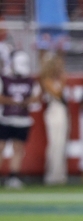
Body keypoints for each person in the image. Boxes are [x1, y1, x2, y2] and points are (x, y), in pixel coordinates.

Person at [0, 51, 41, 189]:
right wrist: (13, 101)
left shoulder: (30, 81)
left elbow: (37, 97)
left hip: (22, 119)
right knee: (1, 147)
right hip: (5, 118)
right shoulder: (3, 78)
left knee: (18, 149)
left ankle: (13, 177)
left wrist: (26, 101)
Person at [40, 53, 69, 185]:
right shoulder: (46, 80)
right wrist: (62, 82)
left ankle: (60, 174)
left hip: (62, 110)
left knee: (62, 143)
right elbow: (57, 94)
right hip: (53, 111)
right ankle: (51, 174)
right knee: (54, 143)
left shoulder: (57, 79)